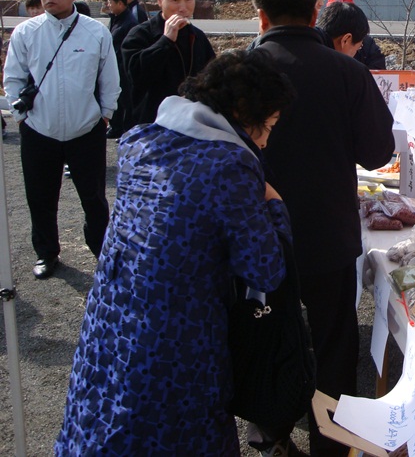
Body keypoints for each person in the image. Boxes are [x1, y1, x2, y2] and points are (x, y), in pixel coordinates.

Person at [55, 49, 294, 456]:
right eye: (266, 126)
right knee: (174, 434)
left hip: (112, 321)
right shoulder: (229, 163)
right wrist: (274, 203)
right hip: (176, 337)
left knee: (106, 419)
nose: (266, 140)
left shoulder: (141, 140)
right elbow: (266, 267)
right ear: (240, 112)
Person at [252, 0, 395, 457]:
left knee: (265, 331)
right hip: (329, 232)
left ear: (261, 16)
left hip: (259, 233)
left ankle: (269, 428)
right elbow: (378, 152)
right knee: (334, 342)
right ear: (316, 12)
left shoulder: (244, 70)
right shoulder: (347, 70)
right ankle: (331, 445)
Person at [3, 0, 119, 278]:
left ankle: (101, 251)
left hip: (86, 130)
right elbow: (12, 78)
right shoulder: (27, 32)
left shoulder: (95, 32)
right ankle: (46, 253)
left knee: (94, 198)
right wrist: (23, 117)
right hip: (39, 130)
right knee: (40, 197)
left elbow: (110, 78)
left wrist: (105, 114)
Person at [121, 0, 216, 126]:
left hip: (191, 125)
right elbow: (135, 76)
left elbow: (212, 77)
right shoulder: (140, 34)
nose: (183, 7)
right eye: (175, 0)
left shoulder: (197, 36)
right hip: (152, 125)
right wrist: (165, 41)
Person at [104, 0, 138, 139]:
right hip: (115, 67)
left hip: (124, 68)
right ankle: (116, 127)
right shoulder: (116, 19)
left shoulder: (130, 22)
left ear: (120, 3)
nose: (108, 5)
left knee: (126, 101)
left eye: (110, 2)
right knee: (116, 98)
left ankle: (127, 131)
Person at [325, 0, 387, 69]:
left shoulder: (367, 44)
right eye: (334, 13)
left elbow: (378, 72)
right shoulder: (318, 41)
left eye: (346, 12)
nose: (340, 17)